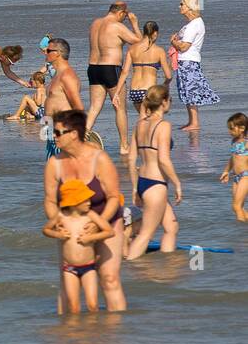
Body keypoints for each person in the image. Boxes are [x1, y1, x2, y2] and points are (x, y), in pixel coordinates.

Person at [43, 109, 126, 312]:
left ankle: (115, 334)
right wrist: (58, 221)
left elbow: (114, 197)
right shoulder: (55, 163)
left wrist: (98, 224)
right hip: (71, 227)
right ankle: (68, 335)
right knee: (66, 283)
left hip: (107, 220)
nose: (54, 136)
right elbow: (50, 200)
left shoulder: (99, 158)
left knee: (109, 278)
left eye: (58, 132)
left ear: (73, 134)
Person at [124, 85, 181, 259]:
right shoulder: (164, 125)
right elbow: (163, 160)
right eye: (169, 100)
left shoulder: (140, 124)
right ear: (163, 102)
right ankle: (126, 267)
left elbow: (132, 159)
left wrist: (135, 188)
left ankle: (167, 266)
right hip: (156, 185)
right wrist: (177, 184)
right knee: (146, 234)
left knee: (171, 227)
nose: (170, 103)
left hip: (143, 182)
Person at [41, 182, 115, 314]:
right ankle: (76, 332)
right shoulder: (61, 216)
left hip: (89, 267)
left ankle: (94, 330)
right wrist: (58, 234)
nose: (89, 203)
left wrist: (90, 238)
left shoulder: (90, 215)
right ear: (74, 202)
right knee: (74, 307)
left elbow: (109, 231)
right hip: (69, 268)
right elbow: (46, 230)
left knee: (93, 305)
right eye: (85, 200)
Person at [83, 2, 141, 150]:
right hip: (110, 68)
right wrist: (134, 24)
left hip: (93, 68)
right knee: (120, 108)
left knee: (95, 107)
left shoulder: (95, 23)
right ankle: (123, 145)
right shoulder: (116, 26)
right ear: (121, 13)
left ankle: (82, 136)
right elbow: (140, 43)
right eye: (125, 16)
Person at [170, 0, 218, 131]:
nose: (179, 6)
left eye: (182, 4)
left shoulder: (194, 24)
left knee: (190, 91)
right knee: (186, 91)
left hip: (188, 61)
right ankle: (191, 121)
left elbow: (184, 46)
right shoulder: (191, 24)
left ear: (189, 7)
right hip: (186, 61)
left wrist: (173, 42)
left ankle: (195, 122)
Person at [118, 21, 170, 118]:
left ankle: (139, 133)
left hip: (134, 92)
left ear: (144, 32)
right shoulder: (159, 50)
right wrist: (165, 84)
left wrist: (117, 92)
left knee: (143, 119)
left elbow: (124, 72)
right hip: (149, 92)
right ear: (155, 33)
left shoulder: (132, 49)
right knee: (152, 119)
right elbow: (168, 76)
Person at [42, 38, 84, 159]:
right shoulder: (57, 75)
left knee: (65, 172)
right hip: (52, 132)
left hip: (64, 132)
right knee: (54, 172)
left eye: (48, 50)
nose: (45, 52)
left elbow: (78, 107)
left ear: (58, 53)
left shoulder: (67, 76)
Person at [219, 112, 248, 222]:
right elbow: (233, 158)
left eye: (231, 129)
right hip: (236, 177)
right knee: (237, 208)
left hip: (246, 176)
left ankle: (240, 235)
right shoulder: (234, 141)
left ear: (242, 128)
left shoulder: (247, 143)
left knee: (236, 206)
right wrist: (226, 171)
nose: (229, 131)